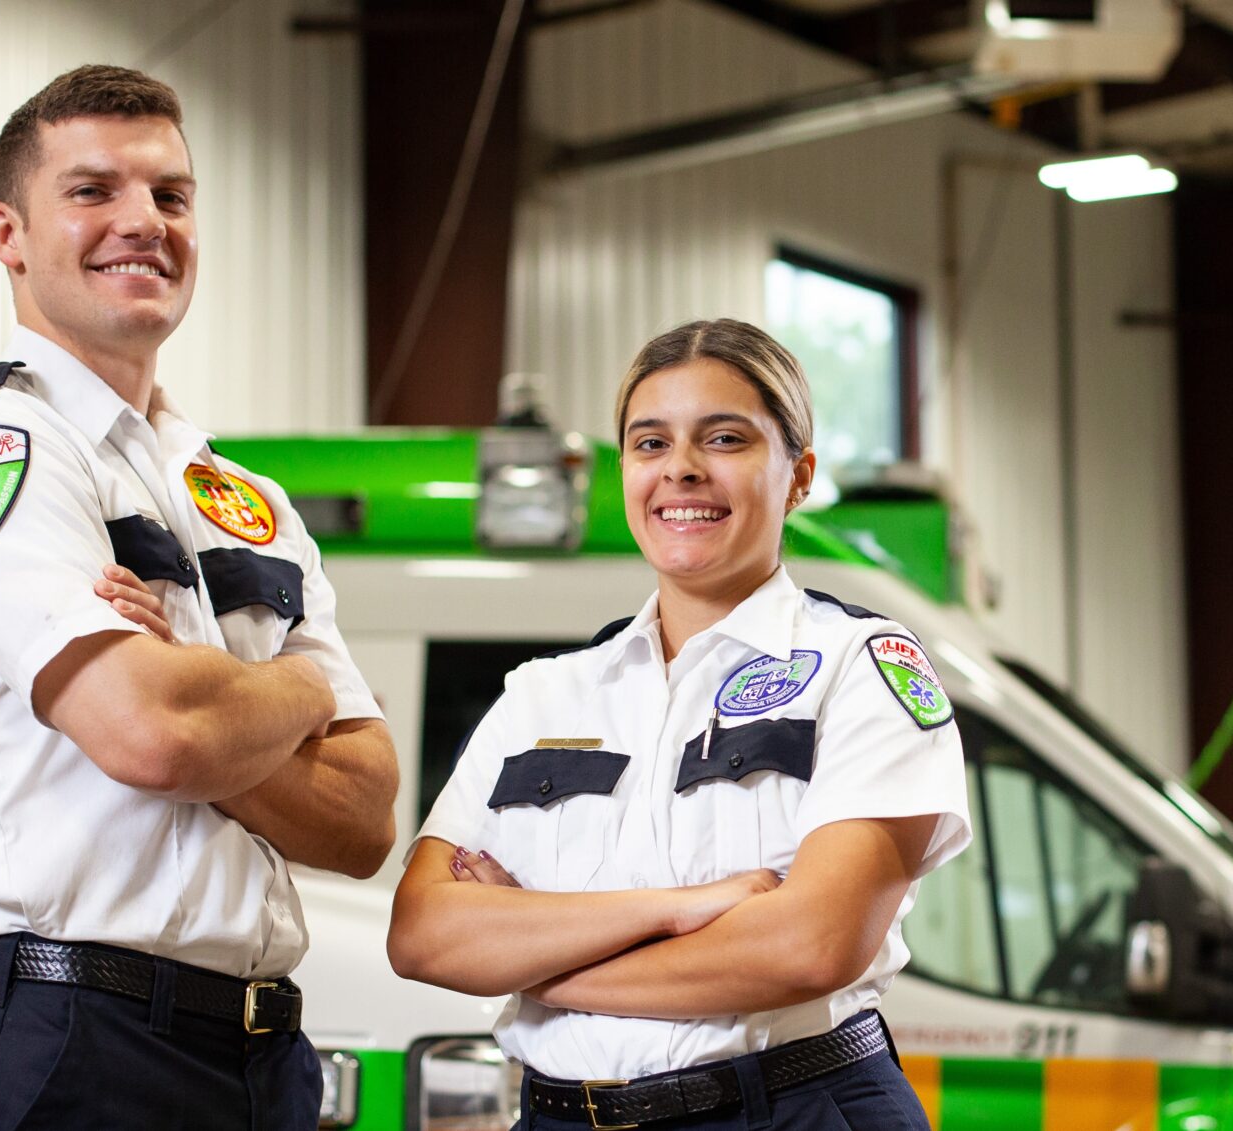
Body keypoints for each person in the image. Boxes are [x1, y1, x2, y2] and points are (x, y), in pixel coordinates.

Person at [0, 64, 398, 1131]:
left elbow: (365, 812)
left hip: (260, 1058)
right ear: (7, 235)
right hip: (70, 1043)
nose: (143, 222)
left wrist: (212, 695)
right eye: (93, 191)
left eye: (171, 196)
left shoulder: (242, 499)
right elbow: (155, 735)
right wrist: (290, 684)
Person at [389, 319, 972, 1130]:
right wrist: (674, 908)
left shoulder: (862, 666)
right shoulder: (542, 696)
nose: (682, 470)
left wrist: (541, 966)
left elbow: (811, 944)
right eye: (650, 443)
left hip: (787, 1107)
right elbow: (423, 935)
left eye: (724, 437)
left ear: (798, 475)